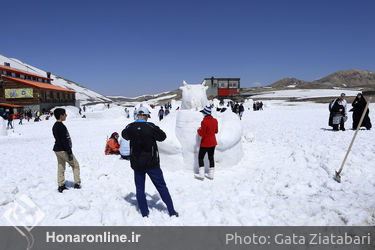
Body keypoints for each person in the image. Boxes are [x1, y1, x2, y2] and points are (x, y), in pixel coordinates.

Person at [122, 107, 178, 217]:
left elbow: (124, 134)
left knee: (140, 188)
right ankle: (171, 211)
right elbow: (162, 136)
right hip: (152, 163)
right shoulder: (150, 126)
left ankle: (144, 213)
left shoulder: (130, 127)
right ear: (147, 116)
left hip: (137, 163)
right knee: (161, 186)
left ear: (137, 115)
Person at [52, 108, 81, 193]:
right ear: (61, 116)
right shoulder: (61, 126)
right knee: (75, 165)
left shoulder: (55, 125)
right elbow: (64, 140)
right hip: (63, 150)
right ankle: (77, 183)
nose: (66, 116)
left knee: (61, 166)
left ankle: (61, 185)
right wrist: (69, 152)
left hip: (57, 149)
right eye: (65, 114)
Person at [195, 106, 218, 180]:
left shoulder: (204, 122)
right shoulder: (215, 120)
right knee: (211, 157)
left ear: (205, 113)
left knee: (200, 157)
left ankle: (201, 174)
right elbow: (216, 131)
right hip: (213, 142)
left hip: (205, 143)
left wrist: (198, 130)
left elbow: (202, 134)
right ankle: (211, 174)